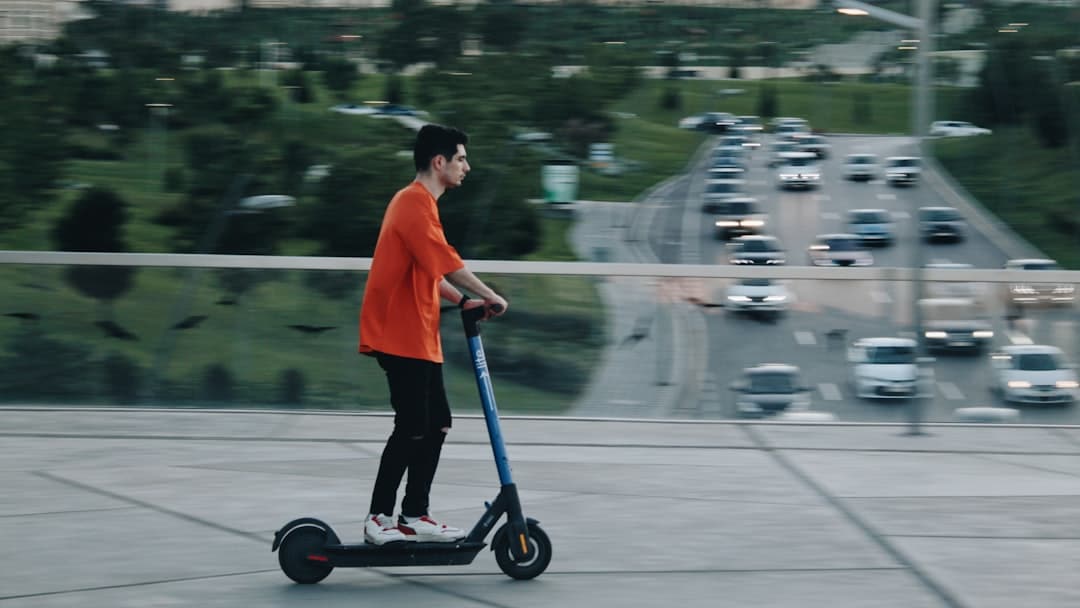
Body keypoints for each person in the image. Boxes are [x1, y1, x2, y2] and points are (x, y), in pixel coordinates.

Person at [358, 124, 509, 545]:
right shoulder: (412, 203)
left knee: (436, 424)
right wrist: (490, 295)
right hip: (398, 334)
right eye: (461, 159)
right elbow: (446, 262)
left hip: (420, 336)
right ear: (439, 162)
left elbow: (429, 270)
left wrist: (463, 302)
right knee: (411, 426)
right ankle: (378, 518)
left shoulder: (422, 205)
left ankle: (414, 514)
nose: (467, 166)